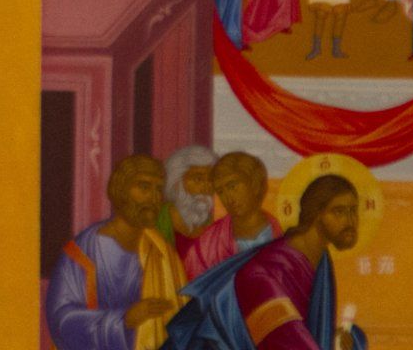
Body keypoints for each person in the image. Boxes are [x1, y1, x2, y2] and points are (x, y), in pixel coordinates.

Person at [166, 173, 369, 350]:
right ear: (316, 214)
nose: (351, 221)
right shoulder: (262, 275)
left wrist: (340, 340)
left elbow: (307, 331)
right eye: (339, 211)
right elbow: (286, 340)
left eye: (353, 211)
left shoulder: (319, 261)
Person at [47, 154, 189, 350]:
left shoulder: (162, 253)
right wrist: (125, 319)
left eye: (158, 189)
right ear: (120, 191)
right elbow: (61, 321)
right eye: (144, 187)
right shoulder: (83, 253)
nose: (155, 198)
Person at [184, 152, 279, 277]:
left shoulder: (282, 235)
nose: (228, 198)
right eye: (221, 191)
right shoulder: (206, 246)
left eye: (233, 186)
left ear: (254, 183)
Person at [159, 145, 219, 272]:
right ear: (177, 182)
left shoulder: (212, 225)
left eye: (211, 180)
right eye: (198, 179)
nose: (206, 187)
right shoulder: (157, 220)